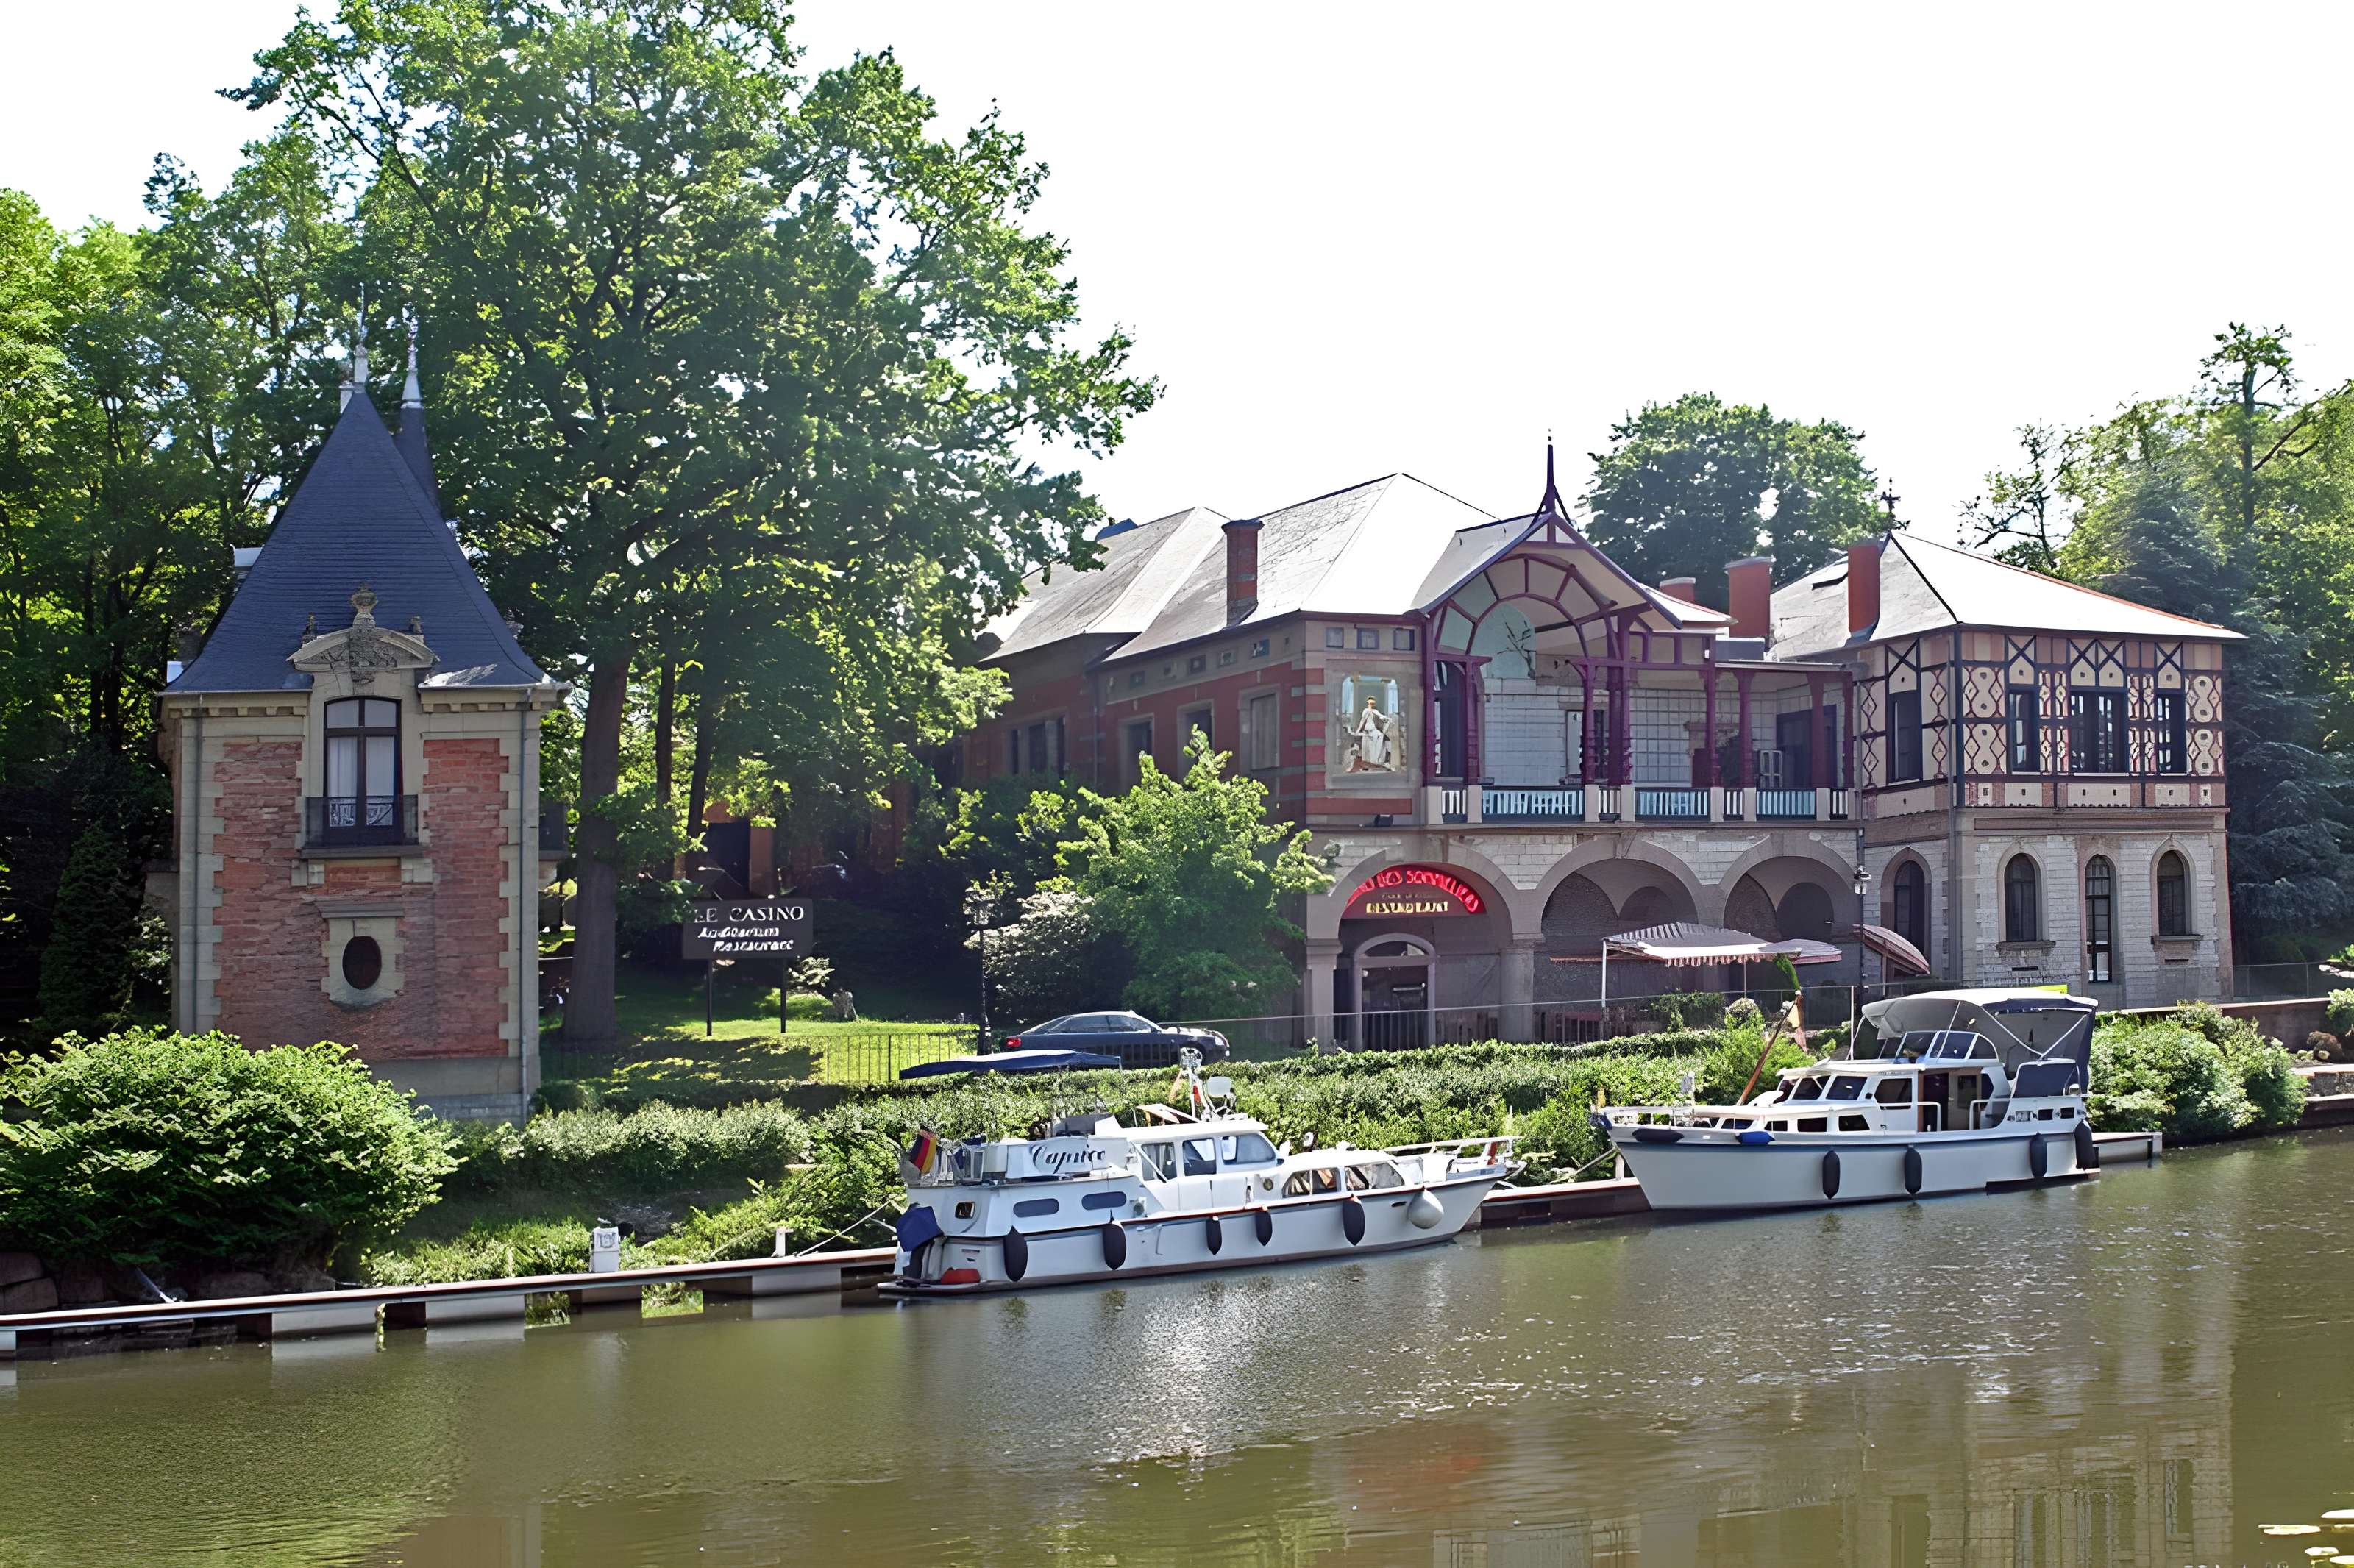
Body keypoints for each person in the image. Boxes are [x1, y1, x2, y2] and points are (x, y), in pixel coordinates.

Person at [1350, 697, 1393, 771]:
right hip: (1368, 730)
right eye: (1370, 703)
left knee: (1377, 741)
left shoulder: (1375, 711)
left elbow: (1381, 717)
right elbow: (1363, 720)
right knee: (1367, 746)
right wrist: (1358, 730)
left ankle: (1376, 761)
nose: (1371, 704)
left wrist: (1387, 719)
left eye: (1372, 703)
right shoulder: (1366, 711)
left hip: (1373, 730)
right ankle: (1368, 763)